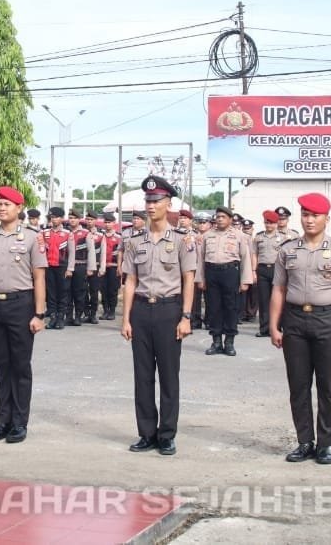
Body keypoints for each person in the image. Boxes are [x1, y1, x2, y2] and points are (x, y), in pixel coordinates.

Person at [268, 192, 331, 466]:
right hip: (294, 321)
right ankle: (304, 442)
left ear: (326, 219)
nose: (309, 220)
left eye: (315, 215)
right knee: (299, 385)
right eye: (305, 215)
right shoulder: (288, 249)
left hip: (327, 320)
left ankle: (325, 444)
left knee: (329, 386)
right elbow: (278, 289)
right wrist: (273, 325)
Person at [121, 176, 196, 456]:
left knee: (168, 375)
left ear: (169, 203)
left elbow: (189, 279)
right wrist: (126, 318)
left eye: (156, 201)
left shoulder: (181, 240)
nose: (151, 206)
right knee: (142, 376)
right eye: (148, 201)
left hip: (168, 310)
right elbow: (130, 280)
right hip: (141, 310)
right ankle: (146, 433)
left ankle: (166, 434)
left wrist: (186, 316)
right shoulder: (134, 241)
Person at [0, 186, 47, 444]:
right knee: (2, 366)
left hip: (21, 304)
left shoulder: (31, 237)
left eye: (7, 204)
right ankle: (2, 421)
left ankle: (19, 422)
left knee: (20, 366)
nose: (2, 208)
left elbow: (39, 277)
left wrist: (39, 313)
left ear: (19, 208)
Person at [196, 206, 252, 356]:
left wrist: (245, 280)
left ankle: (229, 342)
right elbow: (200, 259)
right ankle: (216, 342)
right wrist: (200, 278)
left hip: (230, 272)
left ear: (230, 219)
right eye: (218, 216)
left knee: (231, 307)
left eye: (223, 217)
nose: (220, 219)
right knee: (213, 308)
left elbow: (245, 259)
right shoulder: (207, 235)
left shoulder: (239, 236)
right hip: (211, 272)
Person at [253, 210, 287, 338]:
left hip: (277, 269)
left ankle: (277, 327)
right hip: (262, 269)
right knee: (263, 300)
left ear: (277, 223)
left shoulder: (284, 237)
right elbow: (254, 254)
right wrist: (253, 271)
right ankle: (264, 328)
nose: (269, 226)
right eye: (267, 223)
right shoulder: (259, 237)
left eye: (272, 223)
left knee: (278, 299)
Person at [43, 207, 71, 330]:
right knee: (51, 293)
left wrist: (70, 268)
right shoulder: (45, 233)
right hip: (49, 267)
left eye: (56, 217)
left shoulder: (67, 233)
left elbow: (72, 253)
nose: (54, 219)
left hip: (62, 266)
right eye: (52, 217)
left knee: (63, 292)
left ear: (62, 219)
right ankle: (53, 317)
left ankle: (61, 318)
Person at [65, 210, 95, 326]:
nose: (72, 220)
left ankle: (78, 316)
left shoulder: (85, 233)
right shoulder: (65, 232)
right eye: (70, 217)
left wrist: (90, 268)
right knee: (67, 292)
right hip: (66, 266)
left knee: (79, 292)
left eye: (74, 218)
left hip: (80, 266)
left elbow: (91, 251)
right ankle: (68, 316)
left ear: (79, 219)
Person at [99, 214, 122, 320]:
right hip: (102, 267)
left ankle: (112, 311)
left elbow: (121, 254)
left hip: (113, 266)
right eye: (106, 222)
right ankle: (105, 311)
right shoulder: (101, 236)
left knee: (112, 290)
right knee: (103, 289)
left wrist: (119, 267)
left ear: (114, 223)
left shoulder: (118, 237)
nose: (108, 224)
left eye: (110, 222)